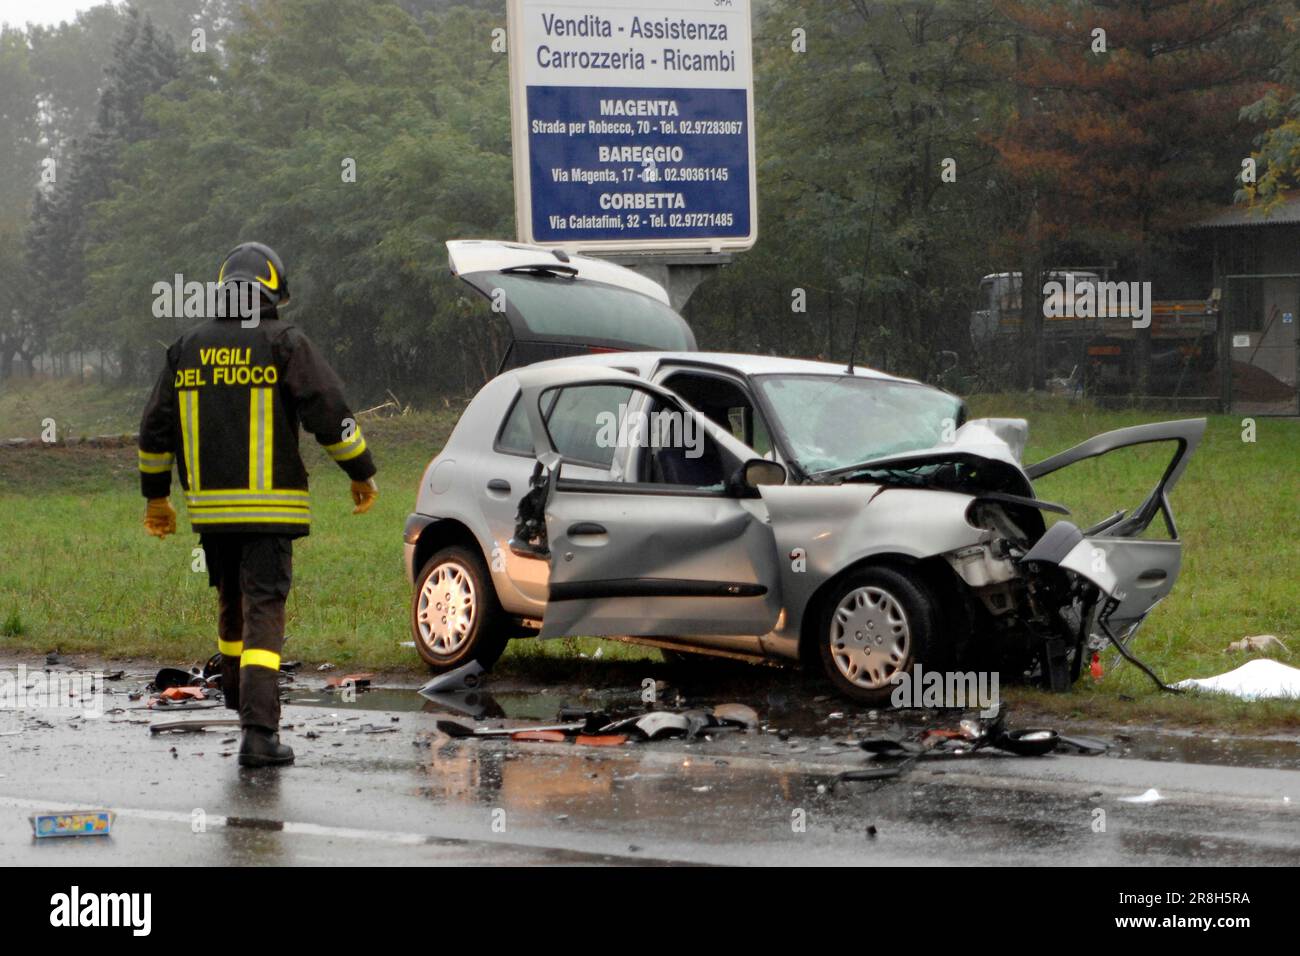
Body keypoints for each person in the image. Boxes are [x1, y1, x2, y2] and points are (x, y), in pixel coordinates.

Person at [137, 241, 378, 767]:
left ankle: (236, 697)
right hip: (271, 513)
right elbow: (328, 411)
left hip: (213, 514)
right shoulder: (284, 342)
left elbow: (156, 428)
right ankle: (260, 732)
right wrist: (360, 472)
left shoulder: (187, 347)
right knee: (264, 609)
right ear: (273, 293)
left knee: (231, 602)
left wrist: (157, 498)